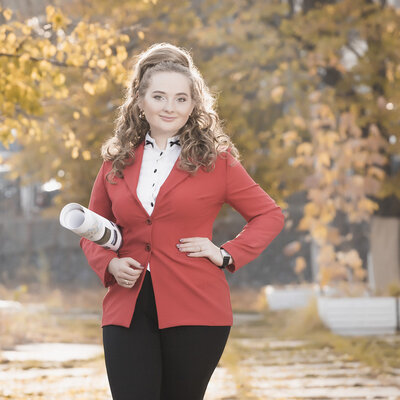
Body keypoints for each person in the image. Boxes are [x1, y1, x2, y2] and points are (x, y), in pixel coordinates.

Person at [79, 42, 284, 400]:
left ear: (194, 104)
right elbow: (90, 229)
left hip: (197, 308)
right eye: (159, 97)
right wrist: (109, 264)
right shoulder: (116, 161)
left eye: (181, 99)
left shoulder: (216, 162)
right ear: (140, 101)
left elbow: (268, 215)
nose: (169, 107)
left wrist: (225, 253)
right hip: (126, 306)